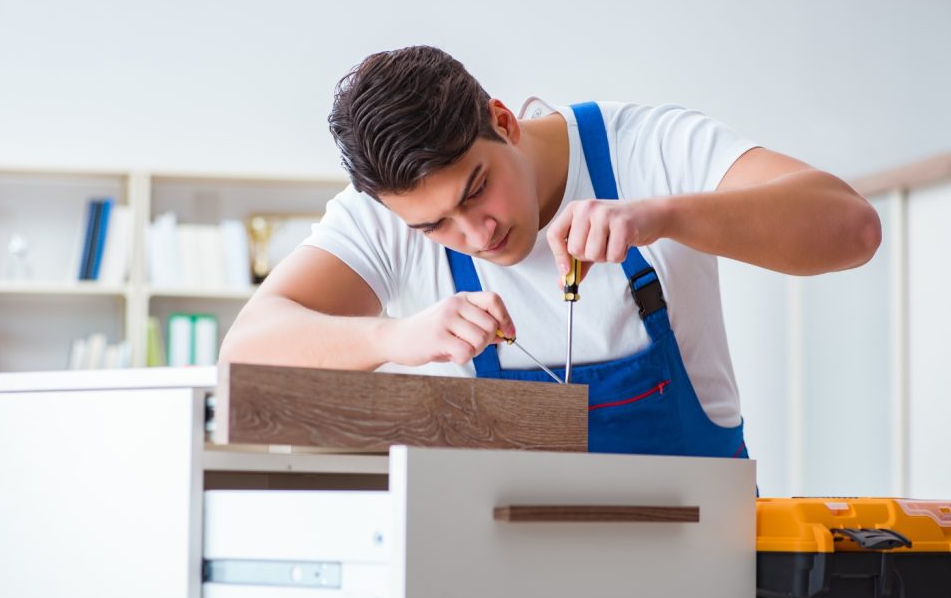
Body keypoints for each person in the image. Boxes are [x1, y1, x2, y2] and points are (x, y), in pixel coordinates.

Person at [220, 45, 880, 457]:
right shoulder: (389, 211)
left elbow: (853, 228)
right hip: (508, 571)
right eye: (435, 227)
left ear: (503, 121)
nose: (475, 234)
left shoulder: (647, 147)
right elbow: (246, 350)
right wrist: (395, 337)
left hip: (700, 553)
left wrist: (665, 213)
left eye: (478, 189)